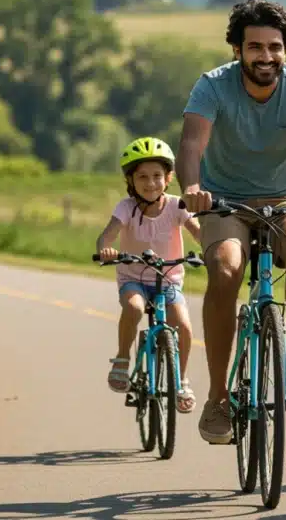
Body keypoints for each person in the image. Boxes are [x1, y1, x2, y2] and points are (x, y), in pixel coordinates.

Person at [176, 0, 286, 445]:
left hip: (284, 198)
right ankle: (218, 397)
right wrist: (192, 187)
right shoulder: (212, 86)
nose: (266, 56)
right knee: (227, 268)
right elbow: (192, 144)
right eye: (255, 46)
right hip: (223, 200)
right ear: (237, 49)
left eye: (275, 47)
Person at [95, 136, 202, 415]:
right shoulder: (126, 208)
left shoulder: (177, 205)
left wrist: (213, 249)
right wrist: (106, 249)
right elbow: (107, 235)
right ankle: (122, 359)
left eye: (157, 175)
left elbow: (198, 232)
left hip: (168, 280)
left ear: (168, 178)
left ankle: (181, 380)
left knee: (183, 325)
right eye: (142, 176)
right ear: (130, 180)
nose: (151, 182)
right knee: (134, 307)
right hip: (133, 279)